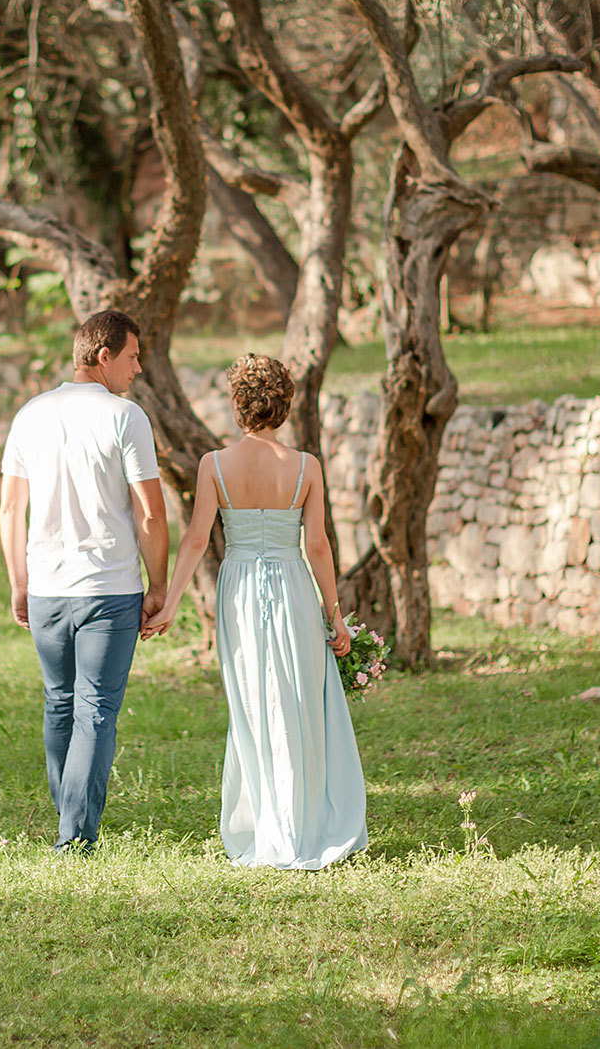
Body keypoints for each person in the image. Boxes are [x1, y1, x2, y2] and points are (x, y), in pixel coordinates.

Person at [148, 353, 367, 870]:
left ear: (237, 405)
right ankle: (303, 821)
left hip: (240, 589)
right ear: (285, 405)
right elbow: (317, 546)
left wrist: (171, 603)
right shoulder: (306, 466)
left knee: (252, 703)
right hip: (292, 584)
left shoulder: (214, 465)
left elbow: (198, 538)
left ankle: (268, 822)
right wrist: (334, 614)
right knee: (297, 699)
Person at [0, 309, 169, 853]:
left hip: (47, 587)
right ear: (103, 356)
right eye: (133, 356)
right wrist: (159, 585)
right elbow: (151, 514)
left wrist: (18, 581)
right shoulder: (126, 417)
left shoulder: (30, 414)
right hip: (109, 589)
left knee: (60, 704)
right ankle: (75, 835)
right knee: (95, 709)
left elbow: (9, 509)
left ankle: (70, 819)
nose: (138, 368)